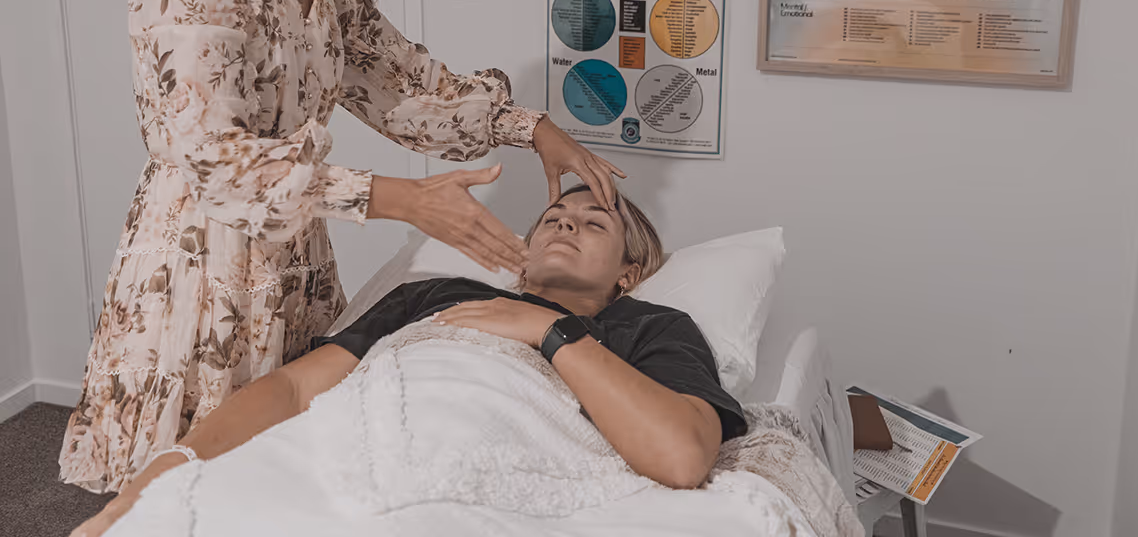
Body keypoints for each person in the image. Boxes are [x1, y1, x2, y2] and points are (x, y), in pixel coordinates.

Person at [60, 0, 623, 494]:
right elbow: (210, 160)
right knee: (181, 488)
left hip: (292, 265)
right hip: (203, 269)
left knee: (285, 485)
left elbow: (402, 88)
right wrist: (402, 202)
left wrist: (532, 128)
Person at [70, 185, 747, 537]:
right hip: (368, 429)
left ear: (628, 274)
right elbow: (293, 390)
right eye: (554, 218)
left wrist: (548, 331)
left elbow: (682, 457)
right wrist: (161, 473)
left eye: (594, 223)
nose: (566, 223)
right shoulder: (436, 293)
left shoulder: (648, 327)